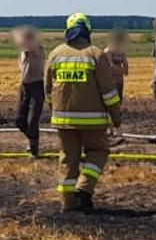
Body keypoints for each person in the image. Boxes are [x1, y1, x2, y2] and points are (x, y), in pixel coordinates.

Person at [48, 13, 122, 213]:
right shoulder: (95, 54)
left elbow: (48, 90)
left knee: (67, 160)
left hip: (63, 121)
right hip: (93, 122)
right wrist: (116, 117)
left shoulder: (55, 54)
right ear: (87, 30)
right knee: (98, 153)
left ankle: (68, 203)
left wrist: (54, 111)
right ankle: (84, 188)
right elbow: (109, 91)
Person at [13, 25, 46, 157]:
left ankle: (34, 149)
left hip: (37, 86)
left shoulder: (37, 47)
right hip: (24, 87)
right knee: (20, 120)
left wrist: (18, 34)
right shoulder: (22, 51)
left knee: (32, 120)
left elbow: (26, 43)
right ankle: (32, 139)